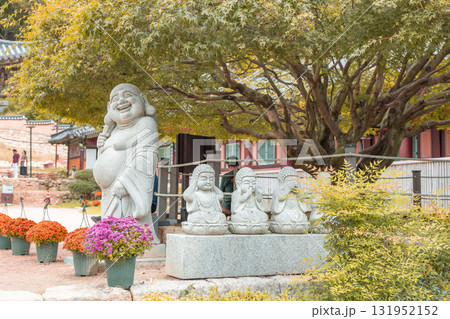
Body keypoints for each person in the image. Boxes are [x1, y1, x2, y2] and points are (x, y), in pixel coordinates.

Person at [93, 83, 159, 242]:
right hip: (110, 192)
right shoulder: (114, 130)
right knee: (112, 231)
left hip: (128, 189)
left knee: (127, 231)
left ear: (142, 100)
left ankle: (133, 243)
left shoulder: (145, 123)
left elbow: (146, 156)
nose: (121, 100)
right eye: (115, 98)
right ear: (109, 107)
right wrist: (102, 147)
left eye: (128, 95)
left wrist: (126, 181)